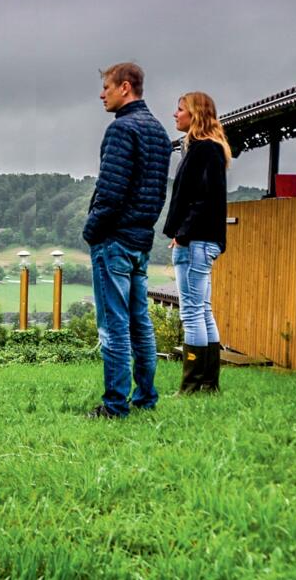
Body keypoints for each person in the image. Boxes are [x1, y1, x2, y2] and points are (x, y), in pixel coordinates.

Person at [82, 61, 172, 418]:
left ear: (125, 87)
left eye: (106, 87)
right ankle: (146, 397)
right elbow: (157, 192)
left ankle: (115, 404)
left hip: (115, 240)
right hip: (141, 239)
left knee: (114, 326)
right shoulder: (159, 132)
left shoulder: (121, 129)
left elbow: (110, 191)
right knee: (140, 324)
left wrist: (91, 229)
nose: (101, 95)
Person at [163, 91, 230, 394]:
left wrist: (183, 234)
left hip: (196, 242)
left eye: (180, 109)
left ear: (195, 114)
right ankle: (208, 384)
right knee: (203, 310)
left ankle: (190, 386)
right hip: (200, 241)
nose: (175, 114)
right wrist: (182, 233)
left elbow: (204, 200)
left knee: (191, 312)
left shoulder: (204, 150)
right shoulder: (210, 149)